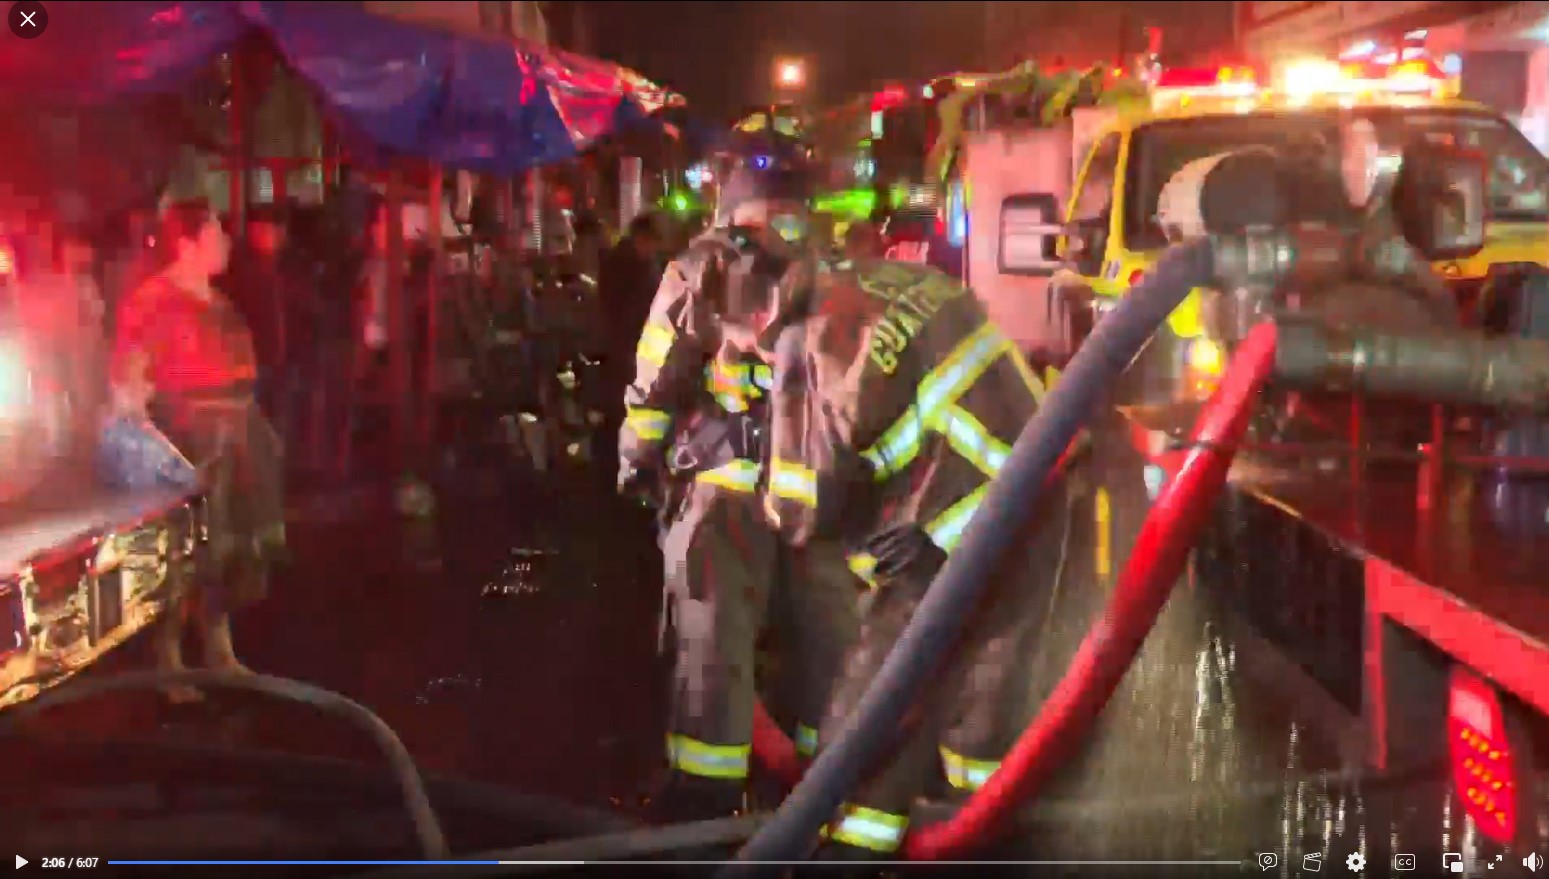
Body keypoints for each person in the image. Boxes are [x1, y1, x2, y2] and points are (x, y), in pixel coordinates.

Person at [759, 257, 1066, 860]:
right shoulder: (893, 284)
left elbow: (804, 504)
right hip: (1038, 492)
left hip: (953, 529)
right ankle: (986, 833)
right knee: (988, 694)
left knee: (874, 704)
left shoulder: (806, 342)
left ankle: (845, 849)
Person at [619, 131, 855, 823]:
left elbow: (658, 377)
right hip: (821, 494)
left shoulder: (701, 267)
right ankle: (826, 779)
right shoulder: (840, 268)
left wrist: (636, 461)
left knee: (711, 633)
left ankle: (705, 795)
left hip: (728, 491)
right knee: (830, 640)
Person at [111, 198, 287, 703]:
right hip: (185, 443)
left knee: (228, 553)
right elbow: (130, 379)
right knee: (183, 556)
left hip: (238, 443)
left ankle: (219, 648)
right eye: (215, 235)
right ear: (186, 243)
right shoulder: (151, 302)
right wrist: (145, 440)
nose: (226, 243)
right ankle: (168, 661)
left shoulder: (222, 304)